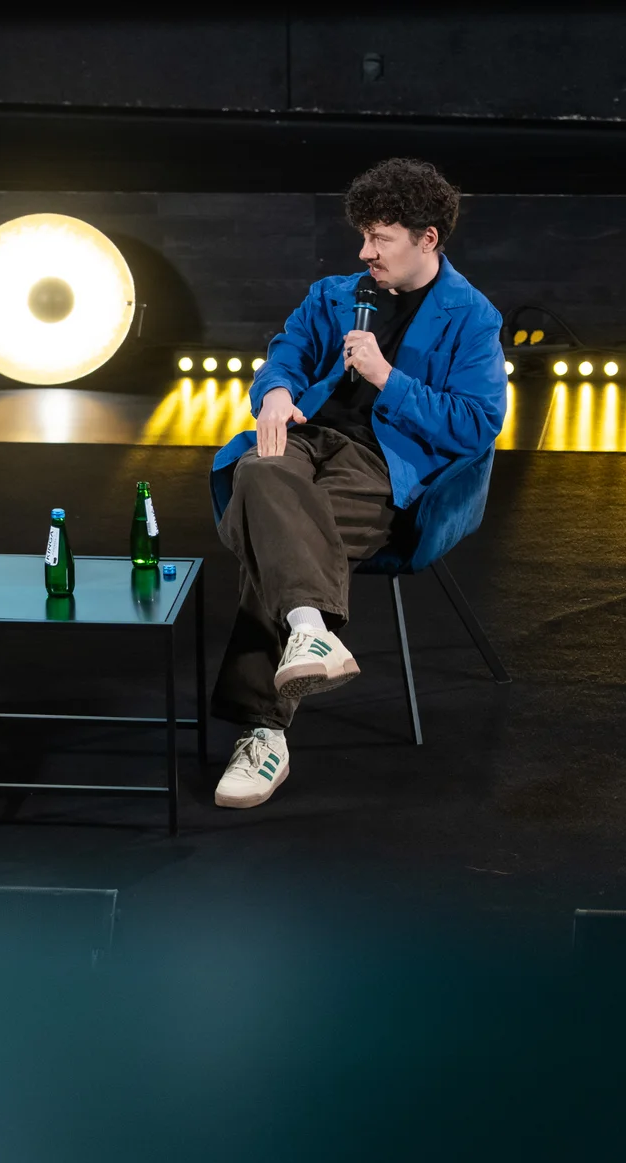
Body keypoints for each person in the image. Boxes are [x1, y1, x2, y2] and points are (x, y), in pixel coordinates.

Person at [212, 158, 505, 808]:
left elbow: (477, 423)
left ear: (428, 239)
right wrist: (275, 392)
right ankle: (310, 630)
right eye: (364, 236)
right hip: (308, 440)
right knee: (261, 465)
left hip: (380, 467)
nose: (365, 252)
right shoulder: (335, 294)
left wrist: (386, 379)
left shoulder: (472, 318)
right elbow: (287, 351)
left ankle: (264, 733)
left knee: (268, 520)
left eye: (381, 239)